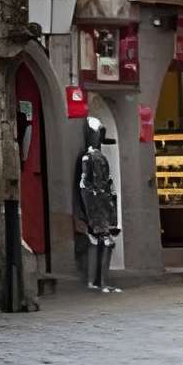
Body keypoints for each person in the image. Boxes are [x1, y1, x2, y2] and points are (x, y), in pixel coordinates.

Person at [74, 117, 122, 294]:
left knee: (108, 243)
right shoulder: (88, 157)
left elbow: (107, 183)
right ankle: (94, 282)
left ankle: (103, 281)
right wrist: (91, 210)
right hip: (95, 207)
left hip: (103, 205)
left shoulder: (99, 156)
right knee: (100, 242)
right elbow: (85, 184)